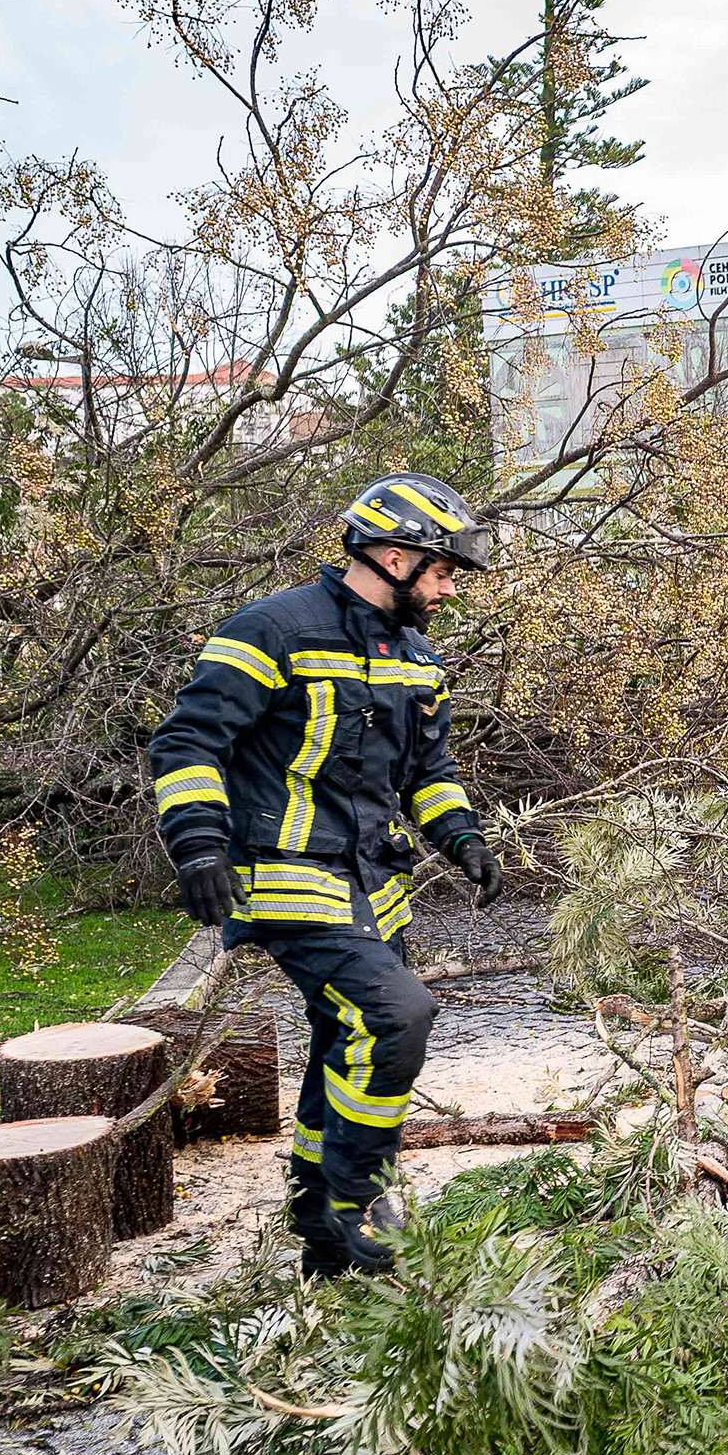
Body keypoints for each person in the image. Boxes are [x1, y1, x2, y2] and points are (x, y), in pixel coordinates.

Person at [148, 473, 504, 1276]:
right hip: (286, 875)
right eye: (443, 572)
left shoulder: (417, 657)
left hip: (374, 882)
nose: (448, 591)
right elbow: (186, 744)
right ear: (392, 555)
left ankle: (320, 1224)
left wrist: (462, 836)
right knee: (395, 1017)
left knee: (346, 1038)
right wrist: (200, 845)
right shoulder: (272, 628)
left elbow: (428, 770)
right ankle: (361, 1198)